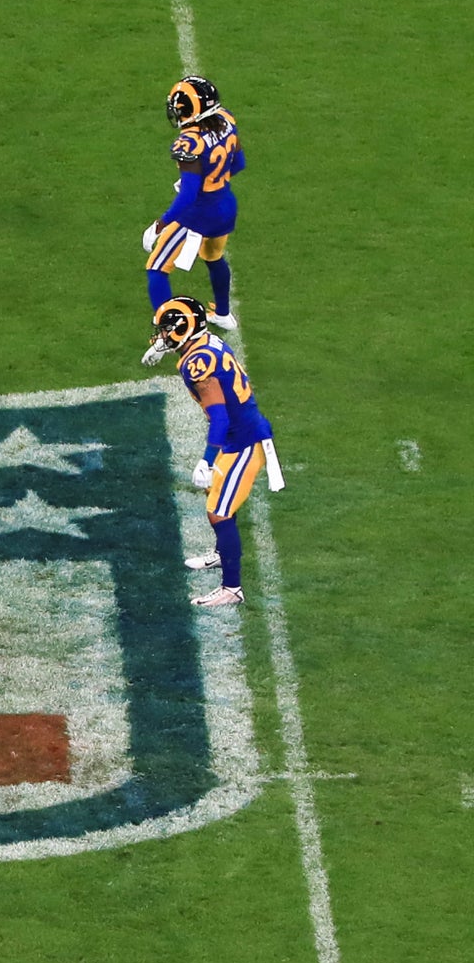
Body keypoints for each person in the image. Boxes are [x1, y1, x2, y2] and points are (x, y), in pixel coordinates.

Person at [142, 296, 281, 606]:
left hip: (243, 442)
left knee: (219, 512)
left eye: (166, 330)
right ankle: (222, 552)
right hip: (237, 435)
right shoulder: (205, 343)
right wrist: (162, 348)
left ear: (183, 330)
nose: (162, 335)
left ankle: (232, 589)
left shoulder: (198, 364)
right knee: (214, 497)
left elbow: (220, 417)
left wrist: (206, 461)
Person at [144, 76, 244, 328]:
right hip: (226, 206)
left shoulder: (190, 142)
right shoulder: (226, 120)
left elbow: (188, 196)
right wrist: (211, 180)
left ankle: (171, 329)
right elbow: (238, 164)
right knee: (213, 257)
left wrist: (160, 224)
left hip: (198, 214)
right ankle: (223, 314)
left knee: (156, 268)